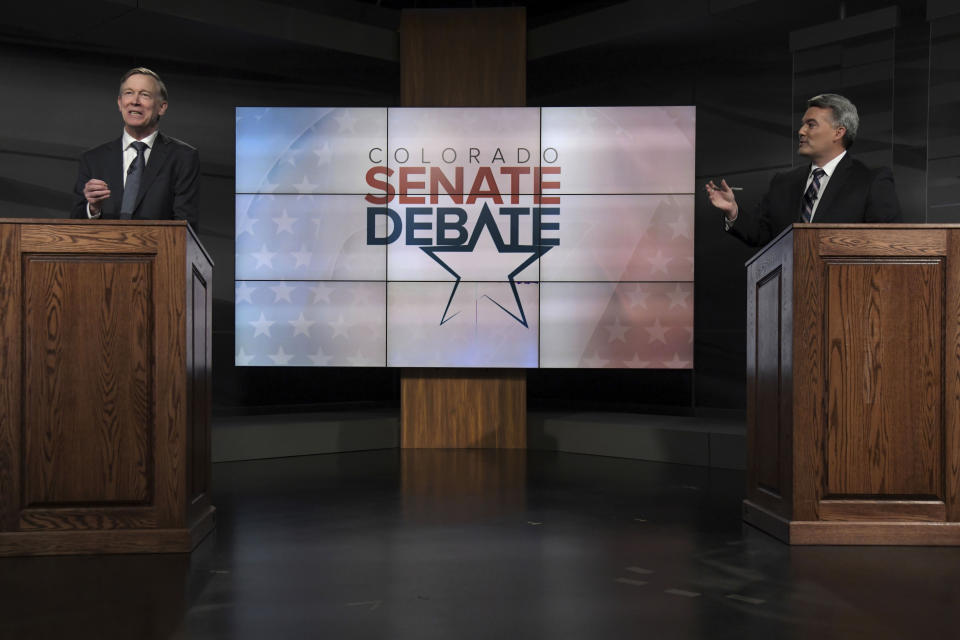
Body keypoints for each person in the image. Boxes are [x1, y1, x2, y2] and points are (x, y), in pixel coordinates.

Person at [705, 93, 901, 247]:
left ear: (838, 132)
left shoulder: (870, 181)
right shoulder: (783, 183)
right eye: (803, 124)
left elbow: (886, 246)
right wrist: (733, 211)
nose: (801, 131)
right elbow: (759, 233)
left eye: (811, 125)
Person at [71, 67, 199, 227]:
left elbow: (185, 227)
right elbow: (74, 225)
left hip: (157, 250)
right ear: (120, 103)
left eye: (145, 95)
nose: (135, 101)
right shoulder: (92, 159)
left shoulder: (182, 157)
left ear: (162, 107)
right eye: (129, 93)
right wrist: (93, 209)